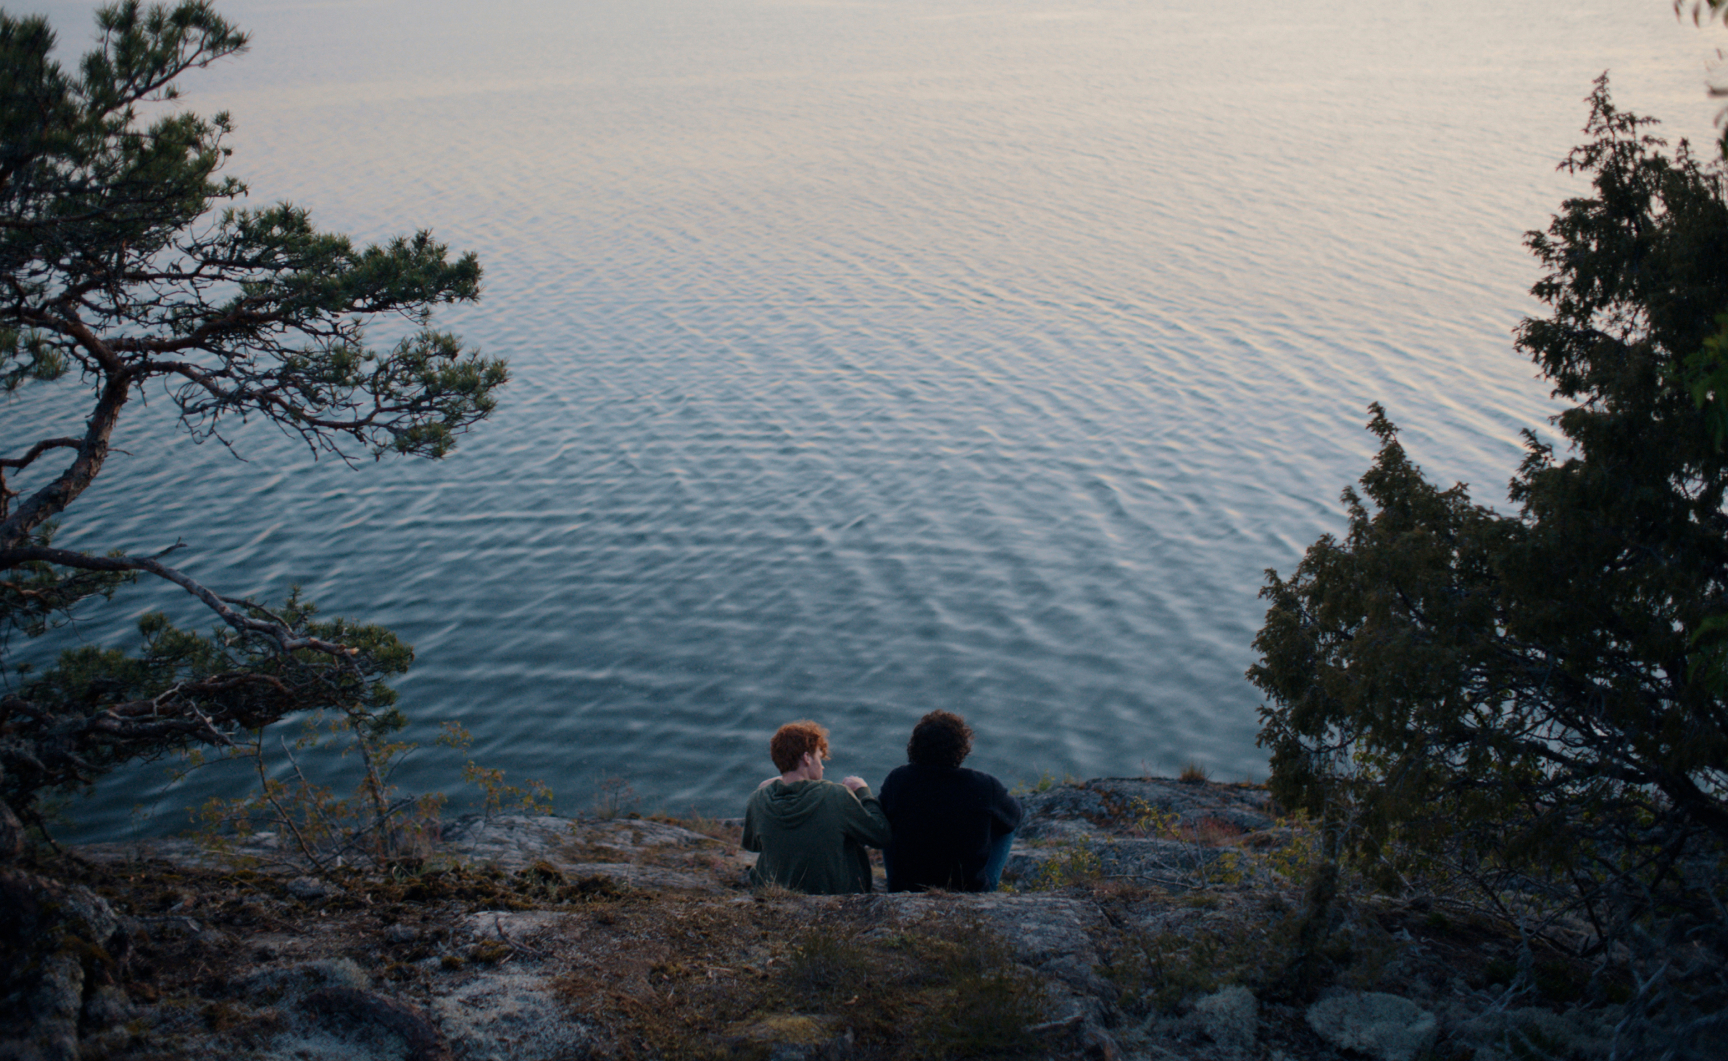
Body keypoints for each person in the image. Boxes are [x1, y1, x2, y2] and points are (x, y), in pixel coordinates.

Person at [878, 710, 1022, 892]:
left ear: (915, 746)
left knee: (888, 821)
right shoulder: (985, 786)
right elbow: (1015, 817)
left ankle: (896, 884)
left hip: (907, 888)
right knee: (1007, 821)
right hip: (968, 890)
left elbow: (879, 820)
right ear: (961, 748)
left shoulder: (898, 780)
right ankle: (986, 886)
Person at [742, 720, 891, 894]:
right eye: (819, 757)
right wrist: (863, 792)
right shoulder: (836, 795)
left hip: (776, 895)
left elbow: (753, 845)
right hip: (833, 896)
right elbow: (881, 835)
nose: (822, 765)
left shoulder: (758, 798)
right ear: (806, 758)